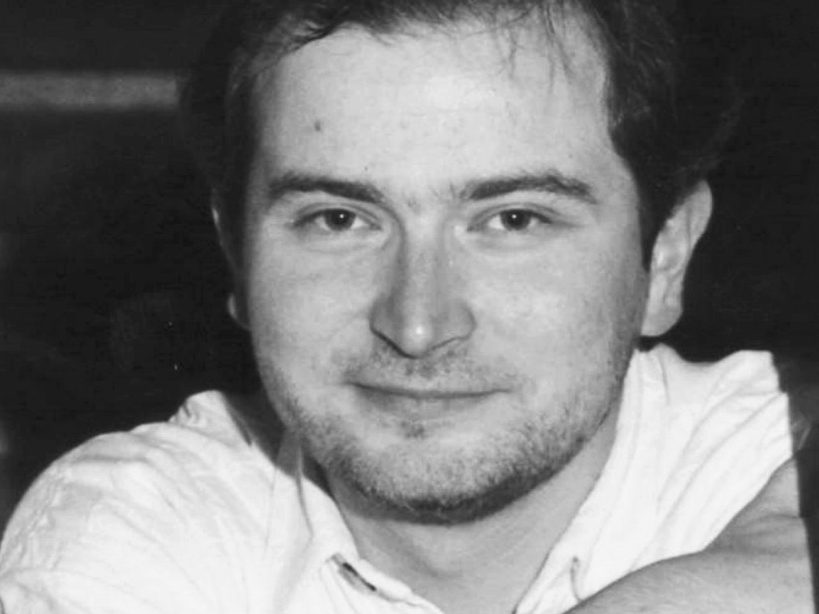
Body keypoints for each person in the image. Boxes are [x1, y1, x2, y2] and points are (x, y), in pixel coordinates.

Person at [0, 0, 814, 612]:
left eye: (513, 220)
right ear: (237, 255)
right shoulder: (141, 528)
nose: (418, 325)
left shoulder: (776, 468)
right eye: (339, 219)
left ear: (665, 256)